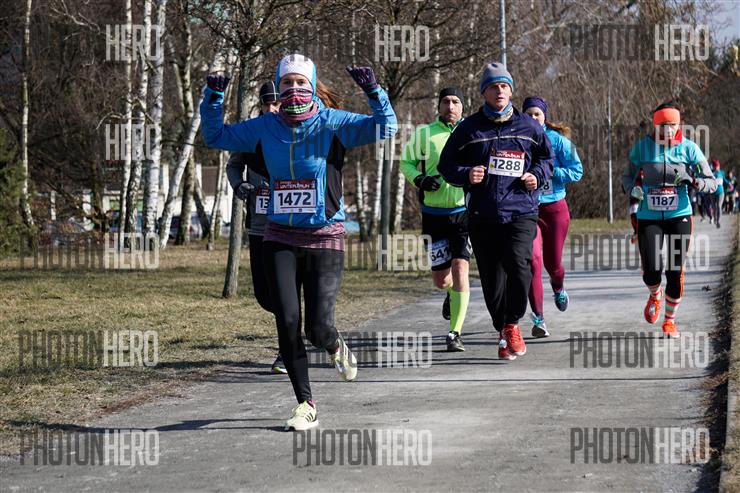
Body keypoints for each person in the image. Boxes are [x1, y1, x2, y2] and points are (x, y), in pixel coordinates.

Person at [200, 54, 397, 430]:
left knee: (317, 329)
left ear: (312, 86)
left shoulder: (332, 123)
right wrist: (213, 98)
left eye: (301, 83)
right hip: (279, 235)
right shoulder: (265, 126)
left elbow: (385, 127)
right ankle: (306, 403)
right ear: (279, 88)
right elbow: (216, 137)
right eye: (287, 83)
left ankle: (334, 345)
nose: (294, 89)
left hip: (325, 237)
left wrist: (374, 92)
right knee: (287, 321)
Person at [438, 62, 553, 360]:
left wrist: (537, 175)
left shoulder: (530, 127)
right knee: (492, 278)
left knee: (519, 264)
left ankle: (512, 323)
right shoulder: (468, 128)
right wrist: (466, 174)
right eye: (493, 86)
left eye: (504, 86)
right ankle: (502, 328)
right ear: (484, 92)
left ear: (511, 91)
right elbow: (446, 164)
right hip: (483, 214)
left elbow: (546, 158)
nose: (499, 91)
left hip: (521, 210)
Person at [621, 101, 716, 337]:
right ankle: (655, 294)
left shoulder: (690, 148)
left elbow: (712, 183)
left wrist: (693, 181)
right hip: (648, 215)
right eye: (664, 125)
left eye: (673, 125)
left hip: (679, 214)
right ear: (655, 125)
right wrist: (633, 189)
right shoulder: (642, 148)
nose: (669, 130)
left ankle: (670, 321)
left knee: (674, 270)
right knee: (652, 269)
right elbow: (626, 178)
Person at [400, 87, 471, 352]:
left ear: (462, 107)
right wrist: (419, 179)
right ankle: (451, 295)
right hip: (433, 215)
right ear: (438, 106)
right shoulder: (424, 133)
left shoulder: (471, 133)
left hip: (463, 213)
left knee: (461, 267)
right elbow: (405, 163)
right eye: (446, 102)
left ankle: (455, 332)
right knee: (442, 280)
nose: (450, 106)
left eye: (455, 102)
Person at [226, 81, 286, 374]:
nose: (272, 109)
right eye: (267, 104)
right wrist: (239, 185)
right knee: (264, 295)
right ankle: (293, 328)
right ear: (260, 105)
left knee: (283, 292)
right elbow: (233, 165)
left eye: (277, 103)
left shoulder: (294, 132)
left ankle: (287, 349)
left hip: (288, 226)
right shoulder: (250, 134)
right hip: (259, 225)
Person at [522, 97, 583, 337]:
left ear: (544, 117)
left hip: (554, 208)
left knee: (553, 264)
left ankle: (558, 287)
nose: (532, 118)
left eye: (537, 114)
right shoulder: (517, 138)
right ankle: (539, 318)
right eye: (528, 114)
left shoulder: (558, 141)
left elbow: (577, 171)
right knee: (533, 261)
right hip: (527, 209)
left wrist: (549, 172)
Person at [710, 159, 726, 228]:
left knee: (719, 206)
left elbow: (724, 180)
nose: (717, 167)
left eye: (718, 166)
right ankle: (715, 219)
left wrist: (729, 184)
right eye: (715, 166)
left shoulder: (722, 172)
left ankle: (718, 221)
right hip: (712, 192)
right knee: (714, 207)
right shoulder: (710, 173)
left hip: (720, 192)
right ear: (713, 166)